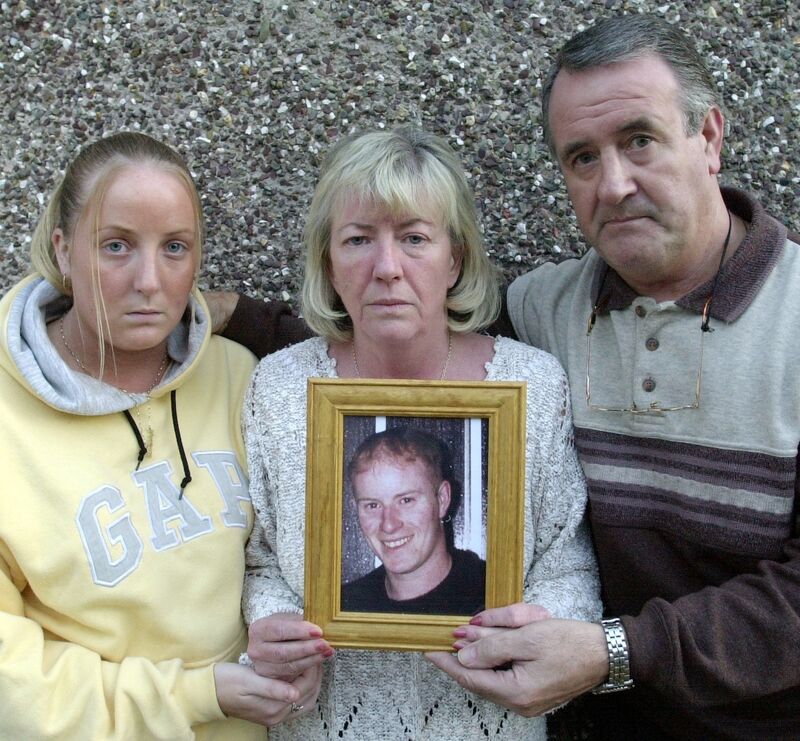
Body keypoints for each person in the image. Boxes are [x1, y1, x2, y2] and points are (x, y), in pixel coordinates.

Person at [427, 14, 800, 741]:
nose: (614, 182)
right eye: (582, 158)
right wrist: (228, 318)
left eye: (638, 139)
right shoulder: (541, 311)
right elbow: (406, 339)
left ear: (710, 137)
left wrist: (616, 651)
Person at [240, 125, 601, 739]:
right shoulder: (276, 389)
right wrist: (274, 628)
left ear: (454, 258)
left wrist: (539, 631)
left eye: (414, 238)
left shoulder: (531, 385)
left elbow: (569, 567)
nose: (386, 268)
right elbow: (261, 559)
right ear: (328, 260)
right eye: (358, 240)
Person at [0, 132, 305, 739]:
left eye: (175, 248)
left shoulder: (242, 379)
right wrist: (196, 695)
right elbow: (14, 688)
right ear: (63, 250)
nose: (149, 280)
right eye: (116, 246)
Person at [342, 426, 486, 615]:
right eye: (372, 505)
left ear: (442, 499)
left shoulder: (494, 597)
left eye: (406, 500)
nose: (389, 525)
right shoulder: (345, 608)